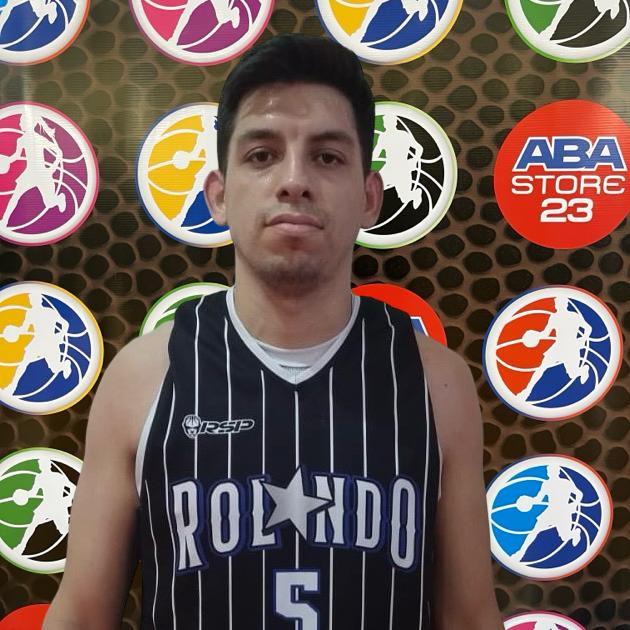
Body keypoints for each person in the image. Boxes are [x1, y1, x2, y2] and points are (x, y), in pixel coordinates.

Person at [44, 34, 504, 629]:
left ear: (370, 198)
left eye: (327, 157)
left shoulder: (435, 381)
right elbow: (82, 614)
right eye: (262, 155)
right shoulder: (143, 377)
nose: (294, 180)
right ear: (218, 195)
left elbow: (469, 617)